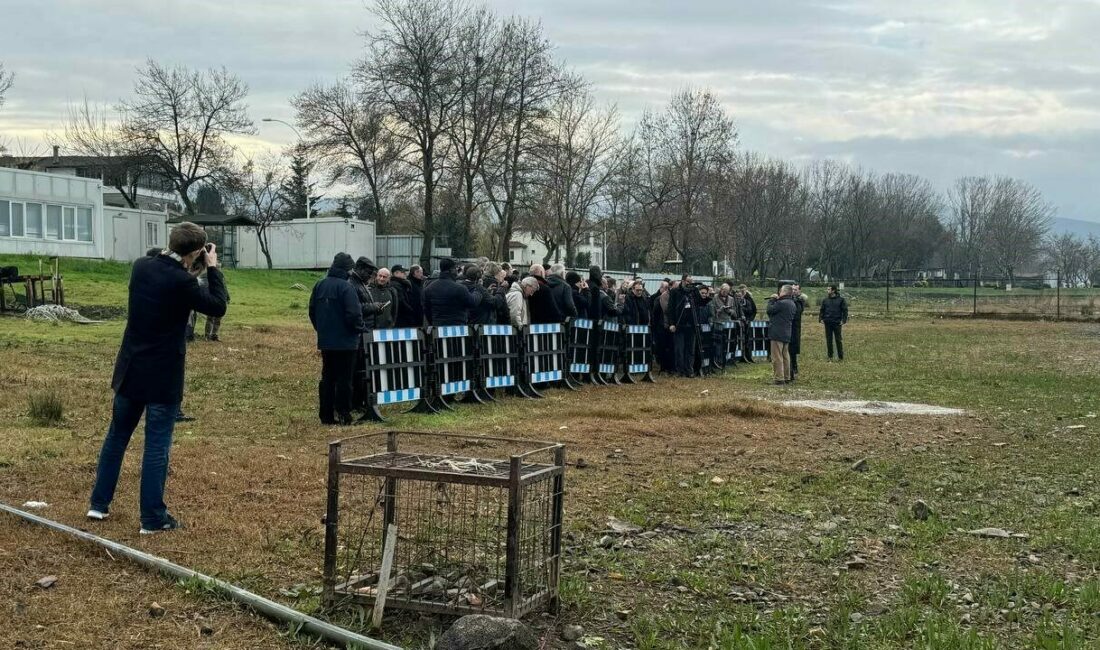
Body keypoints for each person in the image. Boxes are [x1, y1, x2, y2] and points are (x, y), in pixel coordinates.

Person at [88, 223, 228, 534]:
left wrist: (191, 267)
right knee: (156, 446)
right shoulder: (183, 282)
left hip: (130, 368)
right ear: (196, 252)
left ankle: (98, 504)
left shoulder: (141, 267)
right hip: (163, 375)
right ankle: (152, 518)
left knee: (116, 438)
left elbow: (168, 281)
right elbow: (217, 305)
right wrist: (213, 269)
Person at [310, 253, 368, 426]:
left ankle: (326, 415)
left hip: (326, 341)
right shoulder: (346, 287)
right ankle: (344, 414)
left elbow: (312, 311)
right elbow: (353, 315)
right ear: (347, 269)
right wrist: (359, 329)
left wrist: (322, 331)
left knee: (327, 378)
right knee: (345, 380)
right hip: (346, 343)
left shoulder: (319, 285)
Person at [423, 258, 483, 326]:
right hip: (457, 329)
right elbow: (473, 302)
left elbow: (426, 310)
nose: (457, 271)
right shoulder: (459, 288)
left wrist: (434, 323)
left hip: (438, 329)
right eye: (455, 269)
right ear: (451, 270)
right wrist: (479, 288)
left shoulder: (429, 289)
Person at [667, 274, 699, 378]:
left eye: (691, 282)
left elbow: (699, 304)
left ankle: (689, 370)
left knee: (690, 349)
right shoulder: (675, 292)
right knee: (679, 349)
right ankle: (679, 370)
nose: (689, 284)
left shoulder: (693, 292)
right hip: (679, 324)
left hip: (691, 324)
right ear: (683, 281)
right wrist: (671, 323)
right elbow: (670, 309)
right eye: (688, 282)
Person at [766, 284, 797, 385]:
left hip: (777, 332)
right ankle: (787, 377)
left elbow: (769, 310)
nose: (779, 292)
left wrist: (772, 300)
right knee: (785, 356)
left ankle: (779, 378)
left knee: (777, 357)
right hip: (786, 332)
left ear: (784, 292)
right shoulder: (792, 303)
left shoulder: (781, 303)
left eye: (781, 291)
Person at [819, 284, 849, 361]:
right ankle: (830, 356)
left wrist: (844, 320)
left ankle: (840, 357)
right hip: (828, 323)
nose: (827, 290)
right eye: (827, 289)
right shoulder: (825, 300)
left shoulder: (841, 300)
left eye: (829, 289)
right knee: (829, 340)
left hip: (837, 323)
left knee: (838, 340)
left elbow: (845, 311)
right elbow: (822, 310)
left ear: (833, 290)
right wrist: (821, 318)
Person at [789, 284, 806, 381]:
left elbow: (798, 312)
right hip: (788, 327)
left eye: (795, 289)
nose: (794, 291)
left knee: (793, 348)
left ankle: (794, 366)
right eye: (792, 289)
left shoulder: (799, 301)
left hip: (795, 327)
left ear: (799, 291)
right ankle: (792, 366)